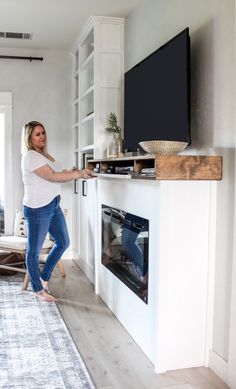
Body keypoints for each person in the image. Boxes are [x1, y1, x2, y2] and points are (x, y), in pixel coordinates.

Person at [21, 121, 93, 302]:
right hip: (38, 209)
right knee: (34, 252)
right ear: (29, 137)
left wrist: (70, 171)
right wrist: (78, 175)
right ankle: (38, 290)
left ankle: (43, 279)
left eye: (43, 132)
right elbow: (52, 176)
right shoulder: (30, 156)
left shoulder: (43, 155)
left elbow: (57, 174)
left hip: (53, 204)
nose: (42, 136)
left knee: (63, 242)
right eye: (37, 134)